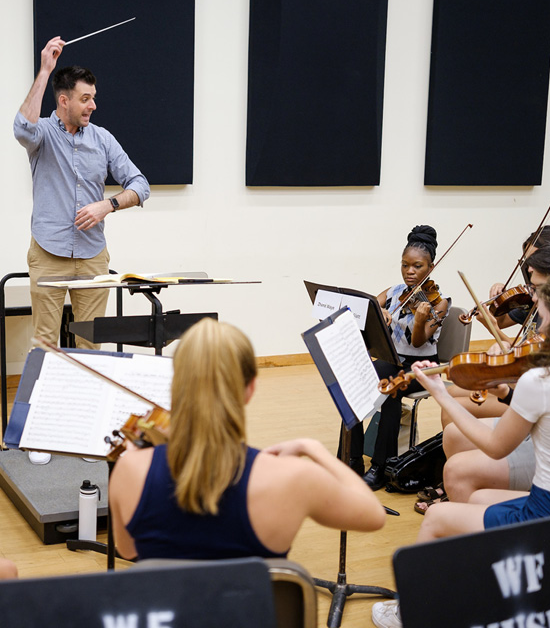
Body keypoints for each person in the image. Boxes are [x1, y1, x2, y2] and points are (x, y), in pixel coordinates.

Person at [372, 269, 550, 628]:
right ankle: (490, 597)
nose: (539, 329)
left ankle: (410, 614)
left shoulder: (544, 381)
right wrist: (510, 394)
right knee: (478, 499)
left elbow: (494, 448)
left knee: (437, 518)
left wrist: (438, 394)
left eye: (542, 317)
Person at [109, 318, 386, 561]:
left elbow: (129, 550)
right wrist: (312, 449)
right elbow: (373, 515)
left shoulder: (130, 469)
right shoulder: (294, 477)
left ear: (177, 384)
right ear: (250, 388)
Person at [14, 37, 150, 466]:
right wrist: (44, 67)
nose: (92, 106)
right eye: (85, 99)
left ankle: (91, 430)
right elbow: (20, 128)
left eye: (93, 98)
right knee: (46, 344)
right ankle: (40, 432)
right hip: (49, 253)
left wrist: (107, 204)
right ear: (64, 100)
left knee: (92, 345)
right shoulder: (44, 135)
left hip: (93, 257)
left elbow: (140, 185)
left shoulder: (103, 139)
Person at [422, 239, 550, 510]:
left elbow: (501, 442)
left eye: (537, 289)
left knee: (457, 470)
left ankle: (474, 515)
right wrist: (505, 389)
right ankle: (470, 509)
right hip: (541, 425)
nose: (532, 297)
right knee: (454, 436)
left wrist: (440, 392)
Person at [346, 225, 450, 491]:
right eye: (405, 265)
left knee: (392, 388)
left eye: (417, 266)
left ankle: (381, 466)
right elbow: (368, 303)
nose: (410, 272)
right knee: (353, 383)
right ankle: (352, 459)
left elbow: (418, 342)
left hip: (422, 369)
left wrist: (420, 318)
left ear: (431, 267)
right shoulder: (394, 292)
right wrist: (379, 313)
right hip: (392, 361)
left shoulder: (438, 303)